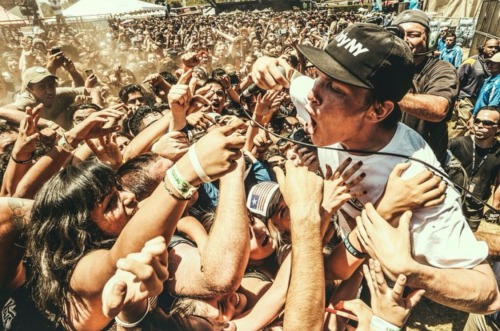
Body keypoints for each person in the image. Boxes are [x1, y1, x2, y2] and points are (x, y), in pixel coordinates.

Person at [252, 22, 499, 313]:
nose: (312, 95)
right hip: (353, 258)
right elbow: (291, 78)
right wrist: (267, 65)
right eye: (318, 76)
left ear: (378, 110)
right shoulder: (328, 105)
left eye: (334, 87)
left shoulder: (416, 180)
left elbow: (488, 294)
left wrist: (413, 271)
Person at [392, 9, 459, 165]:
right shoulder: (385, 67)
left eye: (413, 35)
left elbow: (438, 109)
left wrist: (385, 92)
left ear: (430, 39)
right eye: (400, 35)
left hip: (424, 163)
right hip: (389, 157)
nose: (405, 40)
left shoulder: (442, 69)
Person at [449, 106, 500, 229]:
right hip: (449, 201)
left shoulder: (498, 151)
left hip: (474, 209)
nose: (480, 125)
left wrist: (495, 209)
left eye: (487, 123)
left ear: (498, 128)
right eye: (477, 121)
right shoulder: (455, 144)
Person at [0, 66, 96, 130]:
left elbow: (93, 90)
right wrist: (47, 123)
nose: (49, 91)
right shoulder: (27, 101)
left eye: (51, 85)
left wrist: (95, 108)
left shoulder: (60, 93)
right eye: (42, 87)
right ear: (30, 90)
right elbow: (2, 111)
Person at [450, 38, 500, 138]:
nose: (493, 49)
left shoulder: (495, 64)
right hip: (468, 99)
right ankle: (449, 145)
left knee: (475, 127)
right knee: (462, 125)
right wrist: (455, 98)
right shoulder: (471, 61)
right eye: (490, 47)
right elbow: (456, 79)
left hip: (483, 101)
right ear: (483, 48)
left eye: (496, 47)